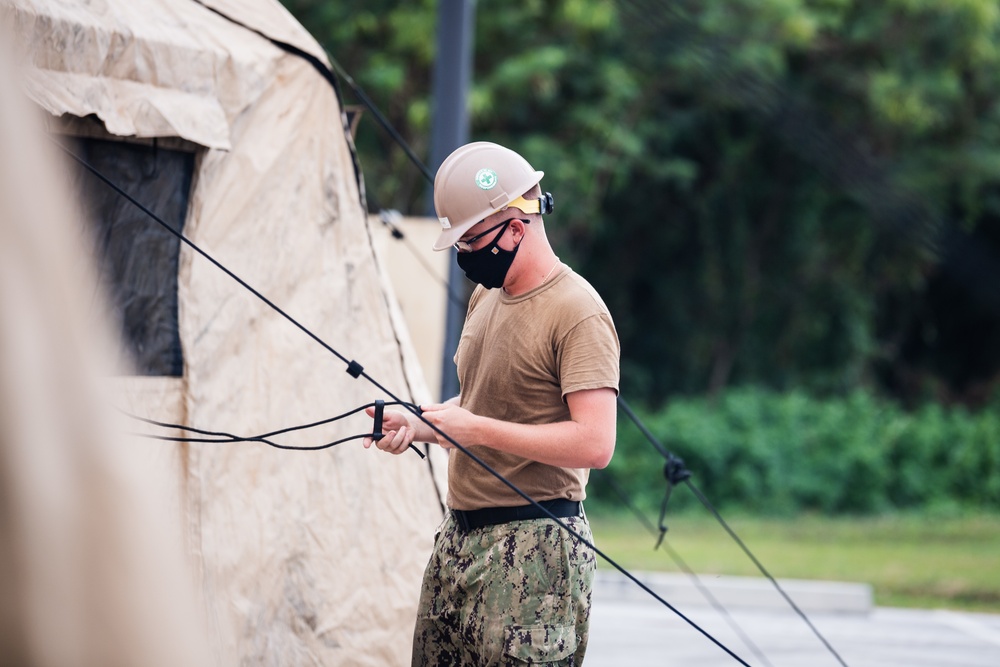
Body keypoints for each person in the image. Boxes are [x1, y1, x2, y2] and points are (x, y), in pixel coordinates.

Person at [365, 141, 620, 666]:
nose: (463, 255)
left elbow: (594, 443)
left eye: (470, 241)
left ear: (516, 227)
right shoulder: (488, 296)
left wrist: (473, 429)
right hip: (459, 540)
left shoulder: (578, 312)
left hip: (536, 552)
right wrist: (423, 424)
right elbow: (489, 403)